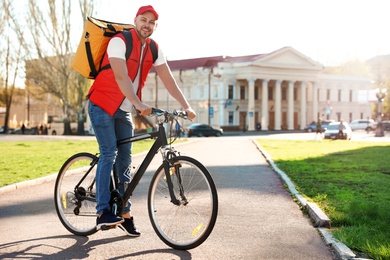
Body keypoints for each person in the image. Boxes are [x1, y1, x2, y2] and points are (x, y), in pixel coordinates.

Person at [87, 5, 196, 237]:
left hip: (124, 109)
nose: (147, 24)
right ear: (135, 20)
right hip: (102, 104)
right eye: (143, 19)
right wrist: (138, 103)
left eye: (152, 22)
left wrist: (186, 105)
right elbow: (120, 75)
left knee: (125, 161)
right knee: (109, 153)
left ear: (156, 26)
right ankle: (102, 212)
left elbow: (168, 79)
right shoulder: (120, 41)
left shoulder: (154, 49)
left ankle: (124, 212)